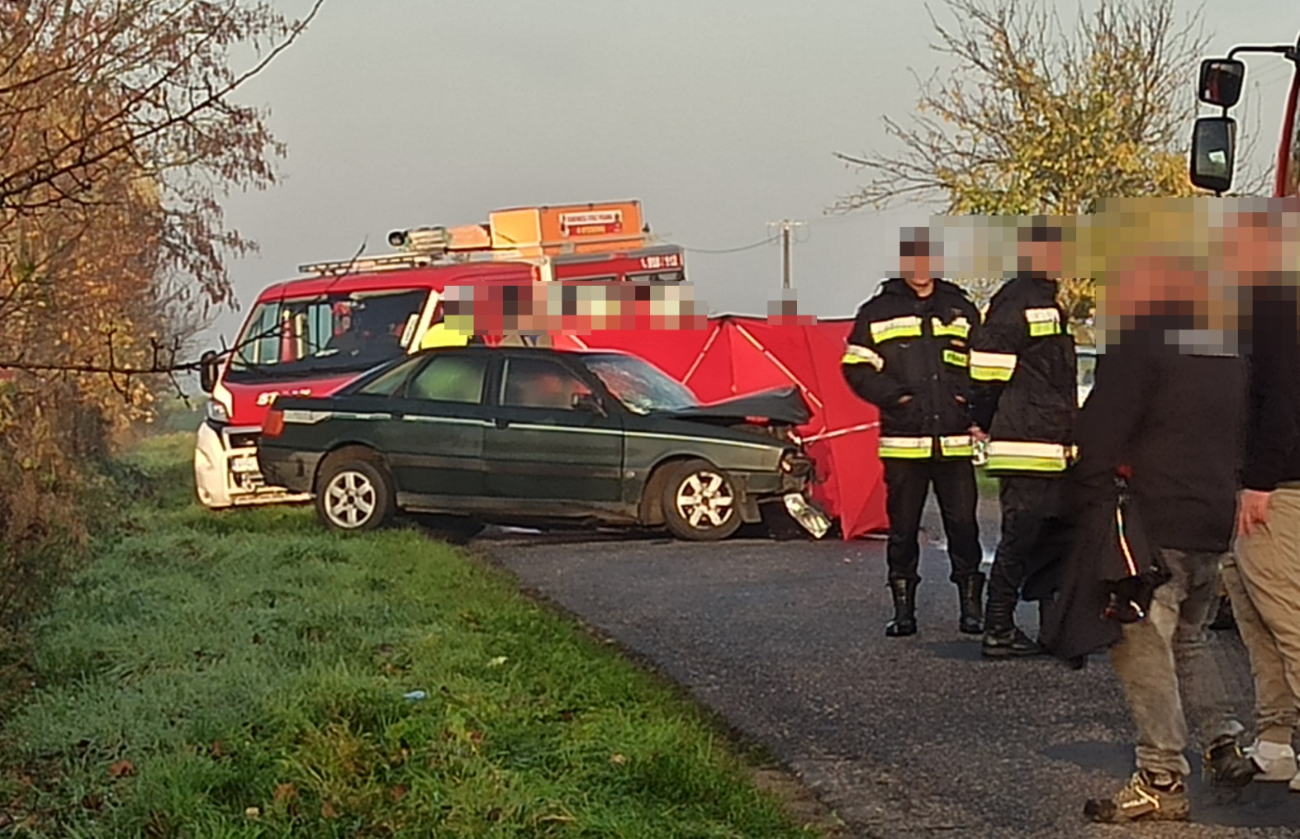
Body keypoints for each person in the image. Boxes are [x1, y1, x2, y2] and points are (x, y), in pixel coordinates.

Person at [1071, 249, 1248, 824]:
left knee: (1140, 642)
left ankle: (1160, 776)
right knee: (1190, 640)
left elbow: (1100, 431)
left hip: (1153, 519)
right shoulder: (1230, 349)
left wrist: (1087, 493)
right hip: (1212, 515)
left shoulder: (1142, 344)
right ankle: (1222, 740)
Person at [842, 228, 985, 637]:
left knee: (964, 526)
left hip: (955, 440)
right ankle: (903, 612)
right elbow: (856, 366)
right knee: (902, 529)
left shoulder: (960, 309)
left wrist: (968, 401)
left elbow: (982, 363)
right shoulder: (877, 311)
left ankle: (970, 609)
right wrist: (897, 399)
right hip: (904, 442)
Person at [1214, 206, 1300, 790]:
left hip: (1274, 487)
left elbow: (1283, 402)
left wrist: (1260, 482)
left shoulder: (1276, 312)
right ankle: (1276, 741)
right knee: (1256, 616)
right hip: (1252, 481)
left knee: (1287, 616)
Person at [969, 218, 1078, 659]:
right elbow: (987, 369)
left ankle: (1051, 626)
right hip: (1027, 440)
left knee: (1050, 534)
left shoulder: (1043, 300)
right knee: (1021, 535)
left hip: (1047, 439)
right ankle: (997, 625)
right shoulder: (1019, 299)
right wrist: (985, 417)